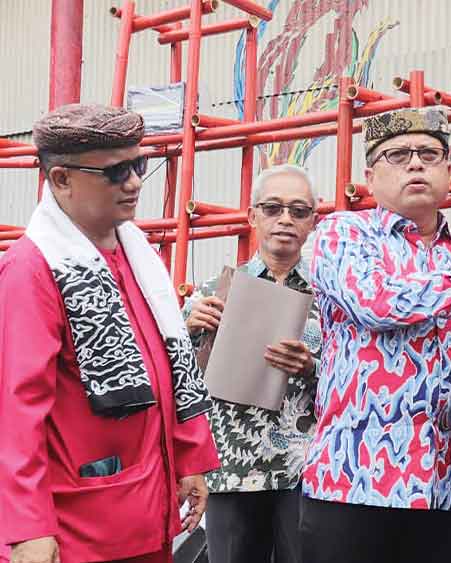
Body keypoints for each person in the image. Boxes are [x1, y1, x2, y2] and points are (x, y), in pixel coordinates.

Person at [301, 107, 451, 563]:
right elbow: (376, 302)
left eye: (429, 154)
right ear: (370, 177)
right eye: (397, 155)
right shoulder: (342, 234)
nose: (415, 163)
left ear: (449, 172)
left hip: (450, 487)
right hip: (353, 482)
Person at [0, 104, 219, 563]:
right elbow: (15, 413)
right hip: (77, 532)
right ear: (61, 179)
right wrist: (27, 527)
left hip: (145, 515)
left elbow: (168, 366)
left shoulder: (138, 256)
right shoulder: (32, 270)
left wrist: (189, 458)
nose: (134, 182)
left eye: (138, 165)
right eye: (116, 171)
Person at [183, 165, 321, 563]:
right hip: (232, 470)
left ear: (313, 220)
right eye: (273, 208)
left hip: (304, 471)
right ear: (252, 216)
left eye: (298, 211)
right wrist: (188, 330)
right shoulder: (214, 292)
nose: (285, 219)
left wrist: (313, 367)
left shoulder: (332, 296)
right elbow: (177, 380)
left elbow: (357, 378)